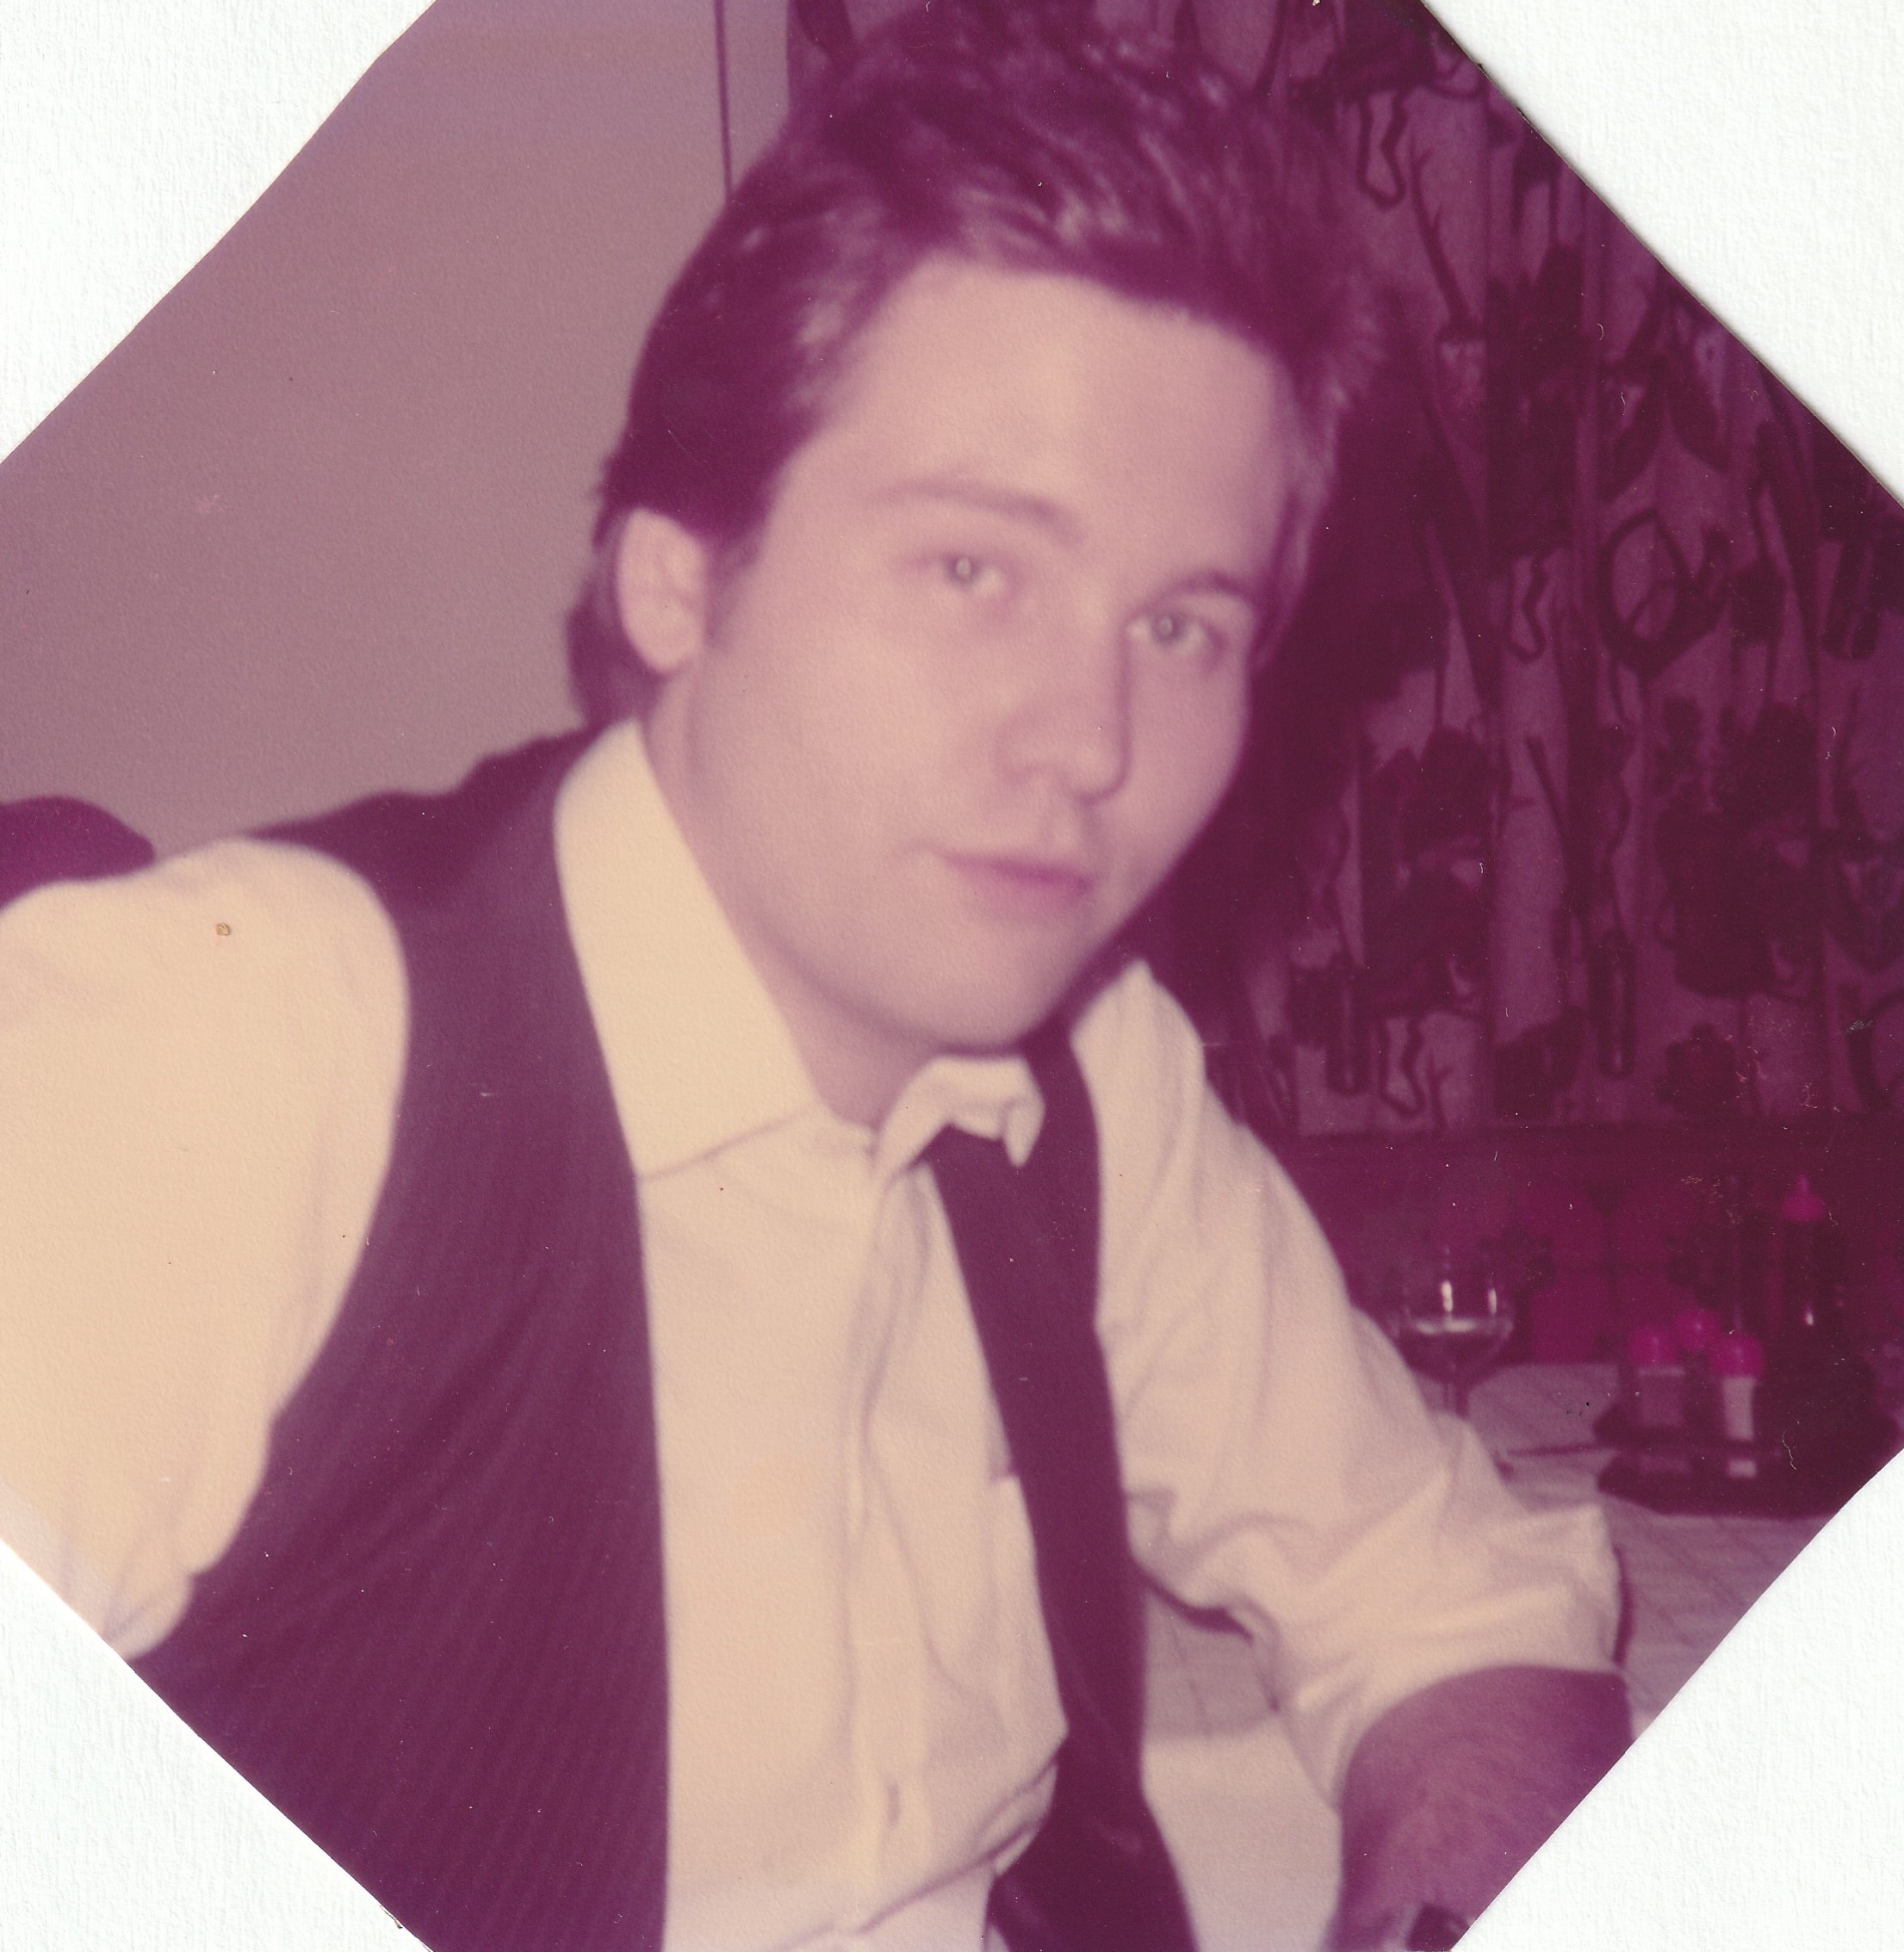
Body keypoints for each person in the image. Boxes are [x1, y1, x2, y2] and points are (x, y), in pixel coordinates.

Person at [0, 6, 1627, 1949]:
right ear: (679, 578)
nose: (1090, 741)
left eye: (1183, 626)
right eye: (972, 572)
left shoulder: (1096, 1076)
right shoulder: (216, 1048)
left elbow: (1447, 1600)